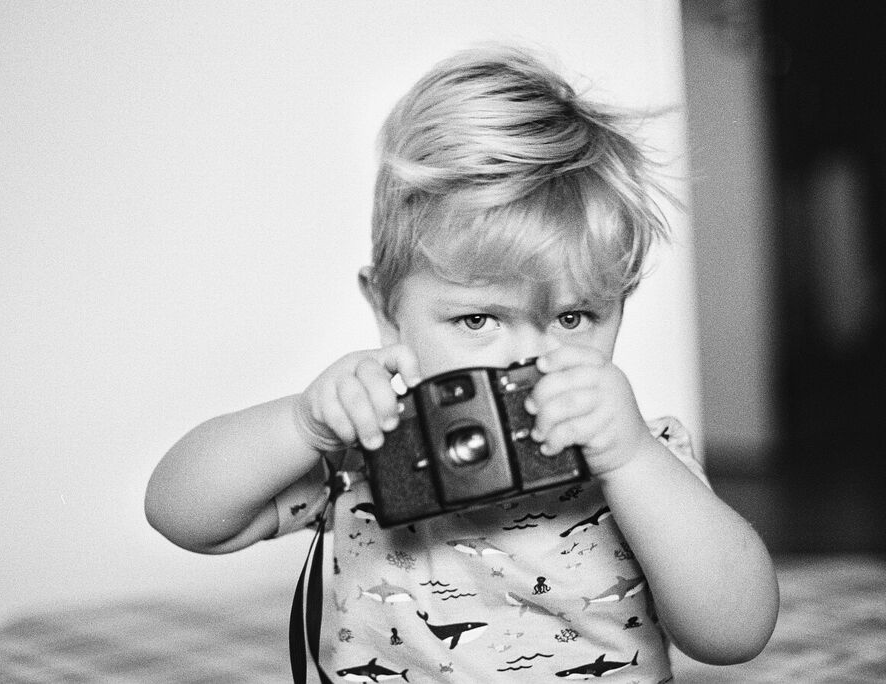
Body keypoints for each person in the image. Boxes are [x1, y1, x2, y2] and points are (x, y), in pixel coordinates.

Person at [145, 46, 778, 682]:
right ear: (388, 311)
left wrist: (633, 459)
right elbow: (183, 517)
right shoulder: (370, 450)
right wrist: (302, 425)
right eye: (477, 320)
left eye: (573, 317)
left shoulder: (640, 459)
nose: (529, 358)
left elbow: (734, 635)